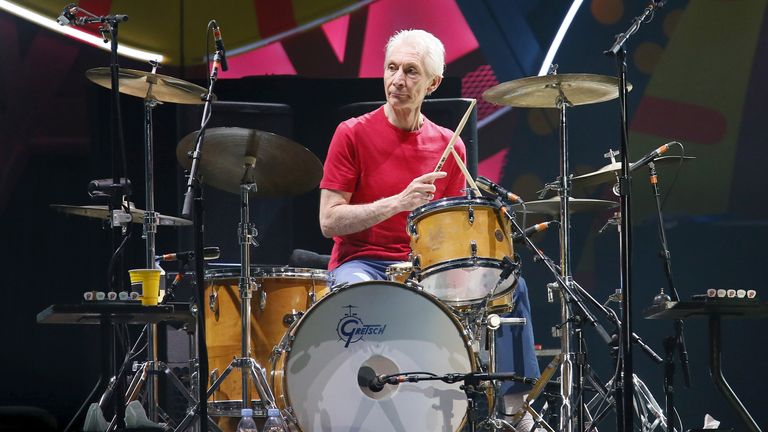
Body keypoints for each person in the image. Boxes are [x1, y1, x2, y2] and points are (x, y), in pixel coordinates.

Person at [318, 29, 539, 431]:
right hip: (362, 263)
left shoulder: (449, 146)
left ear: (432, 84)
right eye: (391, 68)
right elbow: (329, 220)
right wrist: (399, 202)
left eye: (411, 71)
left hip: (424, 270)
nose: (397, 80)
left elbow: (453, 236)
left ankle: (514, 410)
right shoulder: (351, 133)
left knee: (510, 286)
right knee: (351, 296)